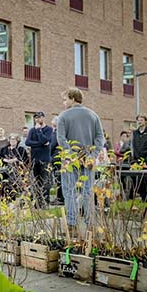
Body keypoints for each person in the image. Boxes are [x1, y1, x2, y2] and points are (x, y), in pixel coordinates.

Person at [56, 88, 105, 226]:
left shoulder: (63, 116)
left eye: (65, 99)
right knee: (87, 191)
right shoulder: (93, 115)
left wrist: (71, 155)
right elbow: (100, 138)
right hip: (88, 158)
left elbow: (61, 139)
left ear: (72, 98)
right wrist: (92, 155)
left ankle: (72, 222)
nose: (63, 102)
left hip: (68, 160)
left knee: (69, 190)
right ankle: (90, 222)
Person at [25, 111, 53, 207]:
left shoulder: (48, 129)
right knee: (36, 181)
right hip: (34, 159)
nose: (37, 119)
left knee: (45, 181)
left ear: (43, 118)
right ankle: (37, 202)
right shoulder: (32, 130)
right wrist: (41, 144)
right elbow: (27, 142)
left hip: (44, 159)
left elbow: (45, 139)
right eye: (36, 118)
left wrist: (39, 131)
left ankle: (45, 202)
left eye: (39, 117)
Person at [0, 133, 29, 199]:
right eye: (11, 139)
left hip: (16, 169)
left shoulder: (20, 149)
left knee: (12, 178)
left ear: (17, 140)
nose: (12, 141)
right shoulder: (4, 149)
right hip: (5, 168)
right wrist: (5, 160)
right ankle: (0, 196)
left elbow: (24, 159)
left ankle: (11, 196)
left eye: (14, 139)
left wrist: (14, 160)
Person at [49, 117, 64, 205]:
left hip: (56, 158)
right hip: (61, 157)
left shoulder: (56, 133)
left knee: (58, 178)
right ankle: (60, 198)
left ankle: (60, 198)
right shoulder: (63, 132)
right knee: (60, 178)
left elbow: (52, 145)